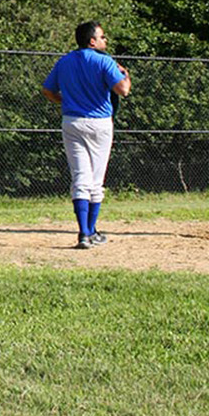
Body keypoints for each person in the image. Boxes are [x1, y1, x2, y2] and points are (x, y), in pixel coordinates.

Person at [42, 21, 131, 249]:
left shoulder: (65, 61)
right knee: (96, 180)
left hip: (71, 121)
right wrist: (125, 75)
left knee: (80, 177)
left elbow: (47, 90)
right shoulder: (104, 60)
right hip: (99, 124)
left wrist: (66, 102)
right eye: (102, 37)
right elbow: (123, 90)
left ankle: (84, 233)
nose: (105, 41)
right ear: (92, 41)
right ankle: (90, 232)